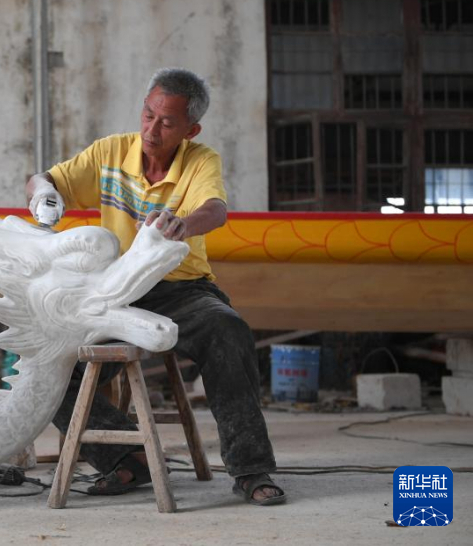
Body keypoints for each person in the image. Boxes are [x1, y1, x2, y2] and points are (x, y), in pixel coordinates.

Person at [25, 67, 286, 505]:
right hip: (114, 294)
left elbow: (216, 209)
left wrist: (183, 224)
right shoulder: (110, 152)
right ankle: (127, 459)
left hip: (183, 290)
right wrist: (41, 194)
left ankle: (251, 469)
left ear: (191, 129)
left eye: (167, 123)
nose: (151, 129)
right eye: (148, 115)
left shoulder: (200, 161)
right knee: (49, 364)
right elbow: (44, 179)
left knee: (228, 331)